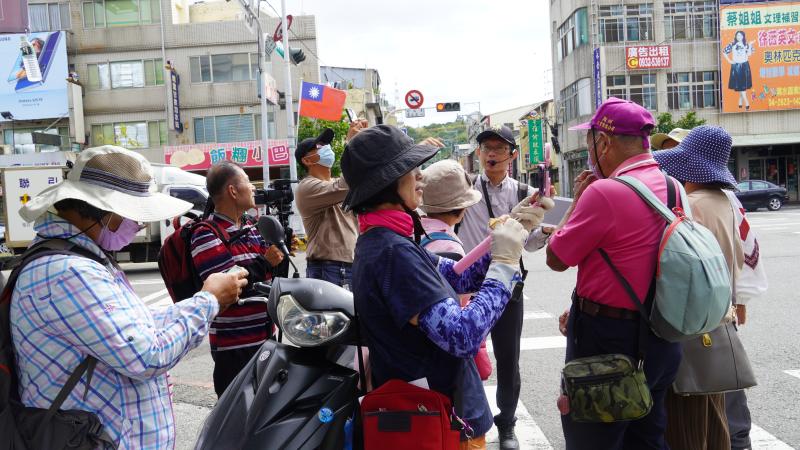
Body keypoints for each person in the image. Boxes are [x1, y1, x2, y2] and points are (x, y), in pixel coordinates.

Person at [10, 145, 248, 449]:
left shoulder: (83, 260)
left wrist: (203, 298)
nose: (140, 225)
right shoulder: (67, 273)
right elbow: (146, 355)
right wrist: (209, 301)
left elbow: (136, 324)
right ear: (108, 214)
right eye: (136, 217)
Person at [342, 125, 544, 450]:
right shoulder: (392, 252)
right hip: (437, 419)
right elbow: (462, 336)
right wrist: (505, 264)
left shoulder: (385, 239)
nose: (420, 176)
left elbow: (457, 276)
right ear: (387, 184)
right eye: (411, 169)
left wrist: (512, 230)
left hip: (430, 412)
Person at [546, 98, 683, 449]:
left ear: (604, 142)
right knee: (648, 438)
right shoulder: (673, 186)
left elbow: (556, 257)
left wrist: (578, 200)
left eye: (589, 143)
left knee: (593, 439)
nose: (589, 153)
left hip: (606, 342)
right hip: (662, 335)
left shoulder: (604, 192)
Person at [653, 125, 750, 450]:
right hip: (719, 317)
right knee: (716, 418)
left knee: (688, 423)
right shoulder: (725, 201)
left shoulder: (690, 204)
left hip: (692, 320)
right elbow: (739, 258)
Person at [457, 124, 552, 449]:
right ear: (479, 153)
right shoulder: (465, 189)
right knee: (462, 354)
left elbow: (531, 244)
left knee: (508, 359)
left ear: (512, 155)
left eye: (499, 148)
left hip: (508, 286)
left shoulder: (526, 192)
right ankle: (463, 420)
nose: (492, 154)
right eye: (487, 148)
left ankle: (507, 423)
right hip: (469, 285)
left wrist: (544, 230)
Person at [191, 160, 285, 397]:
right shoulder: (205, 233)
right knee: (237, 411)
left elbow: (267, 279)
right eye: (247, 181)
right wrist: (266, 262)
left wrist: (279, 255)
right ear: (232, 191)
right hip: (233, 347)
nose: (253, 187)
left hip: (266, 338)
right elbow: (228, 287)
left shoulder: (251, 226)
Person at [295, 127, 359, 288]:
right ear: (307, 160)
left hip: (351, 265)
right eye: (319, 146)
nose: (326, 148)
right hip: (329, 268)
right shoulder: (307, 187)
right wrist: (353, 145)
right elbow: (346, 184)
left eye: (326, 145)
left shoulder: (336, 184)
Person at [723, 30, 754, 110]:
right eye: (737, 35)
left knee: (742, 85)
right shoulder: (732, 44)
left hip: (745, 65)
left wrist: (750, 45)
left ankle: (740, 103)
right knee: (741, 85)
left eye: (740, 35)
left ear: (743, 36)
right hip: (736, 66)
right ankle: (747, 103)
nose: (739, 37)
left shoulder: (746, 44)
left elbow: (749, 54)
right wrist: (729, 61)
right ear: (735, 36)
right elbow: (724, 52)